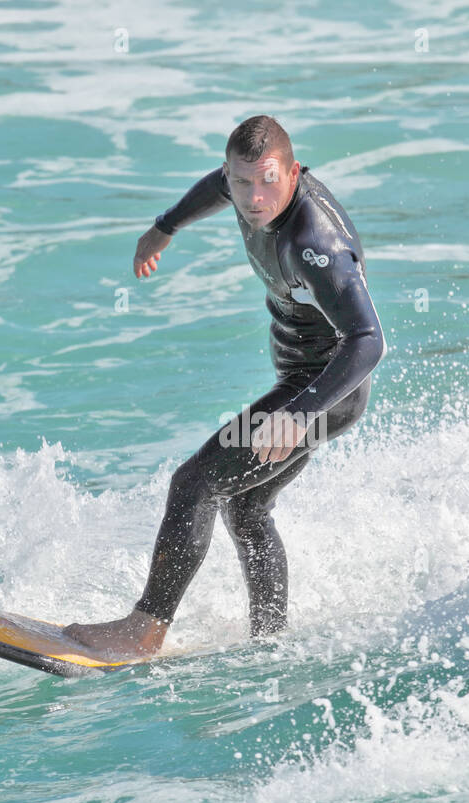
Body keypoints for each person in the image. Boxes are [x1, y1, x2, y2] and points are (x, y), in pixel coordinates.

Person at [63, 115, 386, 659]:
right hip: (302, 388)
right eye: (241, 183)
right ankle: (270, 640)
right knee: (248, 506)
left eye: (267, 181)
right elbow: (214, 188)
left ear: (293, 171)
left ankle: (143, 631)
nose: (254, 199)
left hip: (325, 392)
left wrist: (300, 414)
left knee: (194, 483)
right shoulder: (239, 188)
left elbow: (369, 340)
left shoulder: (316, 245)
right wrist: (165, 226)